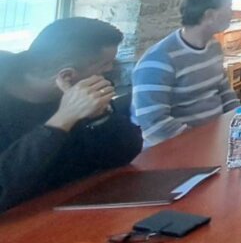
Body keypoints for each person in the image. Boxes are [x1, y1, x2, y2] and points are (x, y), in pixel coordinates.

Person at [0, 18, 142, 213]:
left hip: (77, 205)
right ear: (67, 76)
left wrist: (100, 117)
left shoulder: (83, 91)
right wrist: (61, 121)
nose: (110, 71)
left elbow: (123, 155)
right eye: (105, 65)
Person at [131, 0, 239, 149]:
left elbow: (224, 91)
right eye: (229, 8)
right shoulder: (158, 60)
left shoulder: (213, 46)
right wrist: (199, 142)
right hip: (175, 150)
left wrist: (238, 121)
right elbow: (154, 124)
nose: (233, 13)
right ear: (209, 15)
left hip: (214, 140)